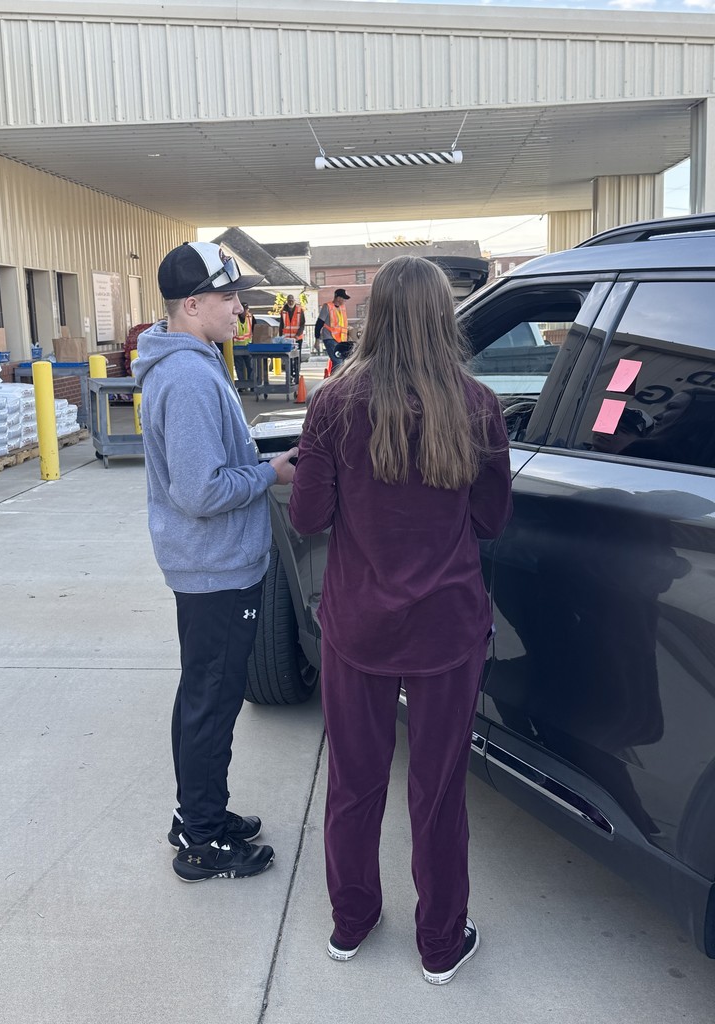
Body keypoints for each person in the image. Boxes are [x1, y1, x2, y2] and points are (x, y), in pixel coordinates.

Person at [289, 255, 512, 984]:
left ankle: (351, 925)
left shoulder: (332, 403)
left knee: (355, 785)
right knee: (439, 791)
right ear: (443, 317)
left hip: (358, 627)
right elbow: (491, 520)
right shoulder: (477, 405)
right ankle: (441, 944)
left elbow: (309, 516)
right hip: (448, 628)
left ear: (374, 316)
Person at [133, 242, 297, 882]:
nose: (241, 309)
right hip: (217, 566)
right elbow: (200, 492)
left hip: (206, 565)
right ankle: (203, 842)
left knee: (202, 694)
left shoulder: (186, 365)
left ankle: (198, 813)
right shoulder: (192, 378)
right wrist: (271, 472)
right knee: (212, 701)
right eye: (229, 298)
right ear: (192, 303)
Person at [315, 288, 351, 370]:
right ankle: (335, 381)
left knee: (341, 362)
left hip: (341, 339)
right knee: (338, 362)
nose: (345, 301)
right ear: (338, 298)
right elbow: (319, 323)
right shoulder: (327, 307)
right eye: (344, 298)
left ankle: (336, 380)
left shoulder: (342, 308)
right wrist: (317, 339)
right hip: (330, 338)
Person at [279, 294, 306, 384]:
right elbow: (281, 325)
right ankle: (290, 375)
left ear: (294, 301)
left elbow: (302, 324)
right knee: (288, 358)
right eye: (289, 300)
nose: (290, 302)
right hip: (287, 340)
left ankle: (296, 375)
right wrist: (280, 338)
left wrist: (297, 335)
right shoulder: (283, 311)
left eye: (292, 300)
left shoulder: (299, 310)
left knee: (297, 358)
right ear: (287, 301)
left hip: (297, 339)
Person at [233, 301, 254, 390]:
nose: (245, 312)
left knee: (250, 366)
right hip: (237, 347)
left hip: (248, 347)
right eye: (243, 310)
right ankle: (242, 386)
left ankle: (251, 384)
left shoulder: (250, 317)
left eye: (246, 310)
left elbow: (255, 330)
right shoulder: (234, 318)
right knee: (239, 367)